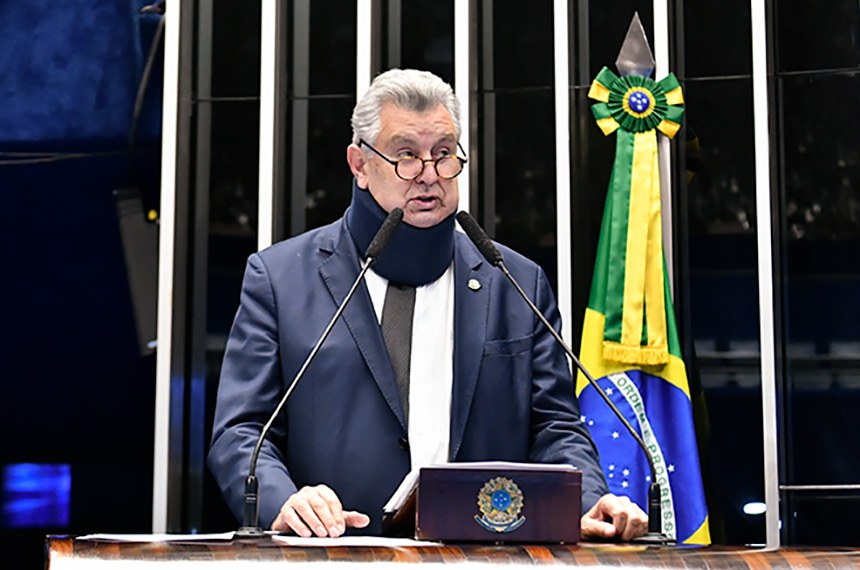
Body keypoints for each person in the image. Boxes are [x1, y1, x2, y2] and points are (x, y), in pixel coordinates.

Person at [208, 68, 648, 541]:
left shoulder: (514, 284)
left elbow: (555, 428)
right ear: (359, 164)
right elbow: (242, 433)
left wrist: (586, 502)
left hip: (480, 556)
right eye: (406, 157)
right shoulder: (281, 279)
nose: (429, 175)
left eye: (443, 155)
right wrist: (283, 500)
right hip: (334, 555)